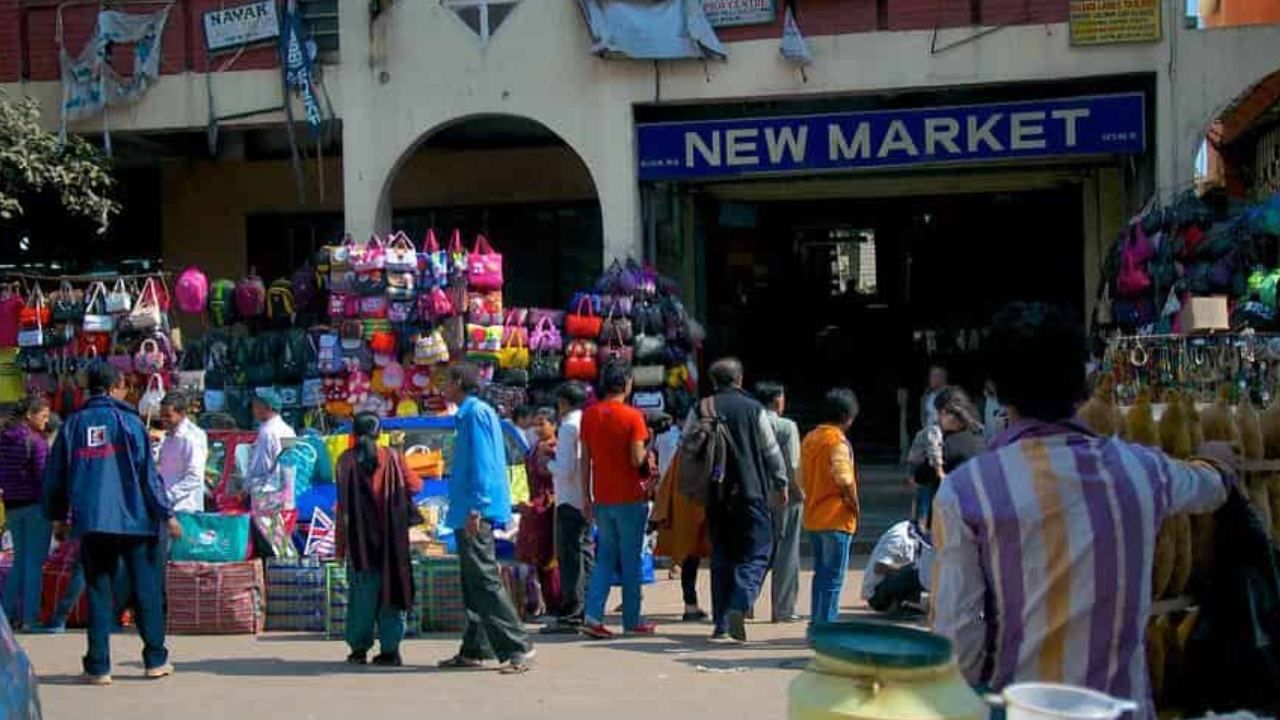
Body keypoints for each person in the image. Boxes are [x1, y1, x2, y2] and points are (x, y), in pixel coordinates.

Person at [930, 303, 1232, 714]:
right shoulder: (1141, 470)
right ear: (1083, 386)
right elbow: (1210, 488)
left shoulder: (967, 491)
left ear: (996, 389)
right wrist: (1217, 459)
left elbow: (958, 639)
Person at [43, 362, 181, 685]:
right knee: (145, 588)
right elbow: (149, 476)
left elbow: (56, 477)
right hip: (136, 520)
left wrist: (58, 518)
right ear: (117, 385)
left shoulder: (73, 425)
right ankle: (155, 660)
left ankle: (99, 666)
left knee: (99, 591)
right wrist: (166, 513)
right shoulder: (131, 423)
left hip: (93, 522)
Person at [437, 363, 534, 674]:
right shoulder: (470, 413)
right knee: (473, 581)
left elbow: (484, 463)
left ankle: (518, 645)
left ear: (457, 382)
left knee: (485, 579)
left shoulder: (475, 413)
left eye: (445, 381)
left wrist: (478, 506)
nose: (441, 387)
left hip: (474, 509)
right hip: (467, 507)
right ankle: (474, 647)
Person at [695, 358, 788, 643]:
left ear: (713, 381)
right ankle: (740, 601)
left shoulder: (702, 408)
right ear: (740, 379)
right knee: (760, 550)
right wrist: (781, 482)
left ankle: (720, 624)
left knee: (722, 556)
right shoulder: (753, 409)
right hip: (751, 492)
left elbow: (686, 447)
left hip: (714, 495)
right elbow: (771, 450)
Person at [334, 413, 423, 667]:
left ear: (353, 433)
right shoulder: (393, 457)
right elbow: (416, 487)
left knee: (361, 597)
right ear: (378, 433)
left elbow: (342, 508)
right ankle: (390, 650)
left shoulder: (344, 461)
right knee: (392, 593)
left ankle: (358, 650)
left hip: (359, 543)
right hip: (391, 543)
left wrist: (339, 548)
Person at [580, 364, 656, 639]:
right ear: (626, 384)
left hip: (601, 496)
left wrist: (585, 496)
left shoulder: (589, 415)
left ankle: (592, 615)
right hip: (630, 498)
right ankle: (632, 619)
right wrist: (650, 448)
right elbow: (637, 460)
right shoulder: (633, 416)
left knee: (605, 558)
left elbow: (584, 460)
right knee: (631, 560)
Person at [800, 388, 861, 627]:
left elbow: (800, 478)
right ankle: (827, 625)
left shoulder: (810, 438)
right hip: (836, 518)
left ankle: (817, 622)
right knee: (834, 578)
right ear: (847, 416)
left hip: (814, 516)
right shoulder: (837, 441)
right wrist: (854, 504)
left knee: (821, 574)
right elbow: (844, 478)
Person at [652, 413, 711, 623]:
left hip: (685, 511)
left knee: (689, 559)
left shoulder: (681, 451)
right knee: (719, 559)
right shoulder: (714, 448)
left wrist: (661, 513)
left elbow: (668, 484)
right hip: (710, 508)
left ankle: (690, 604)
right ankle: (722, 608)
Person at [543, 382, 592, 634]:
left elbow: (565, 469)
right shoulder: (585, 421)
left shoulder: (568, 427)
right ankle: (587, 608)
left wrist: (547, 463)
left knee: (571, 558)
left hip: (569, 498)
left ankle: (572, 613)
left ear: (563, 402)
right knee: (584, 554)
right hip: (585, 497)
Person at [0, 397, 52, 631]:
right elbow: (43, 479)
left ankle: (5, 616)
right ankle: (30, 619)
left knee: (19, 562)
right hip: (35, 508)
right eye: (43, 415)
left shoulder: (4, 440)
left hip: (11, 506)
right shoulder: (36, 442)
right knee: (33, 564)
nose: (46, 420)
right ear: (29, 416)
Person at [755, 381, 803, 624]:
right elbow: (793, 465)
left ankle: (745, 602)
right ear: (776, 400)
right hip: (784, 496)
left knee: (756, 550)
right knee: (786, 552)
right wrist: (799, 492)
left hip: (755, 494)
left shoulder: (751, 423)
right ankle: (783, 608)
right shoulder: (786, 426)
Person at [910, 387, 985, 529]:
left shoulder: (947, 445)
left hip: (949, 521)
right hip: (980, 514)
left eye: (939, 413)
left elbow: (920, 476)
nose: (938, 419)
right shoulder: (981, 438)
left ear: (947, 413)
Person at [516, 407, 560, 615]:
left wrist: (540, 503)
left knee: (550, 559)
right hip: (534, 507)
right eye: (536, 423)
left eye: (543, 423)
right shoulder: (534, 448)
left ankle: (556, 604)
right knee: (536, 558)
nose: (538, 427)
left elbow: (556, 481)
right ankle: (544, 604)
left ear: (554, 425)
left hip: (548, 507)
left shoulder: (555, 448)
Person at [243, 388, 296, 509]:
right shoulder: (289, 430)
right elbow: (291, 462)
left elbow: (260, 466)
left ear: (269, 408)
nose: (253, 410)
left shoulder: (266, 432)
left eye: (256, 406)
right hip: (286, 494)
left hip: (266, 495)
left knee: (265, 528)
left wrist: (246, 487)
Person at [156, 392, 209, 514]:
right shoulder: (168, 437)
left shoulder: (192, 438)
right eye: (161, 415)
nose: (163, 419)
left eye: (168, 416)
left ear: (182, 414)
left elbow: (195, 477)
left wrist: (169, 496)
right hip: (168, 507)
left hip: (185, 508)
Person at [861, 520, 928, 615]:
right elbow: (879, 567)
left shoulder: (917, 534)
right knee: (916, 571)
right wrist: (905, 568)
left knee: (921, 568)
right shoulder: (898, 536)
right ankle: (894, 606)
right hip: (877, 596)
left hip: (886, 586)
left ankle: (906, 603)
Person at [920, 365, 948, 429]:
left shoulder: (950, 394)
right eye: (931, 376)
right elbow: (924, 417)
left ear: (942, 377)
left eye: (935, 376)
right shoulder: (927, 396)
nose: (931, 379)